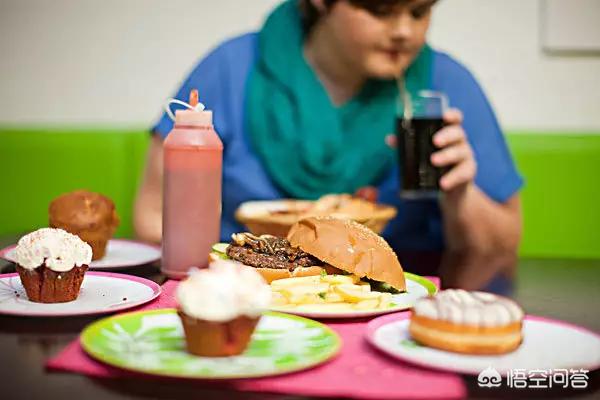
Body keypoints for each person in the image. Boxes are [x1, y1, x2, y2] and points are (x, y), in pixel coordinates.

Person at [134, 0, 523, 292]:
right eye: (381, 9)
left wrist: (459, 194)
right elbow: (151, 215)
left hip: (398, 303)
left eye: (419, 12)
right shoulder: (231, 68)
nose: (404, 31)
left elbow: (504, 246)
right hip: (245, 297)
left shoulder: (445, 86)